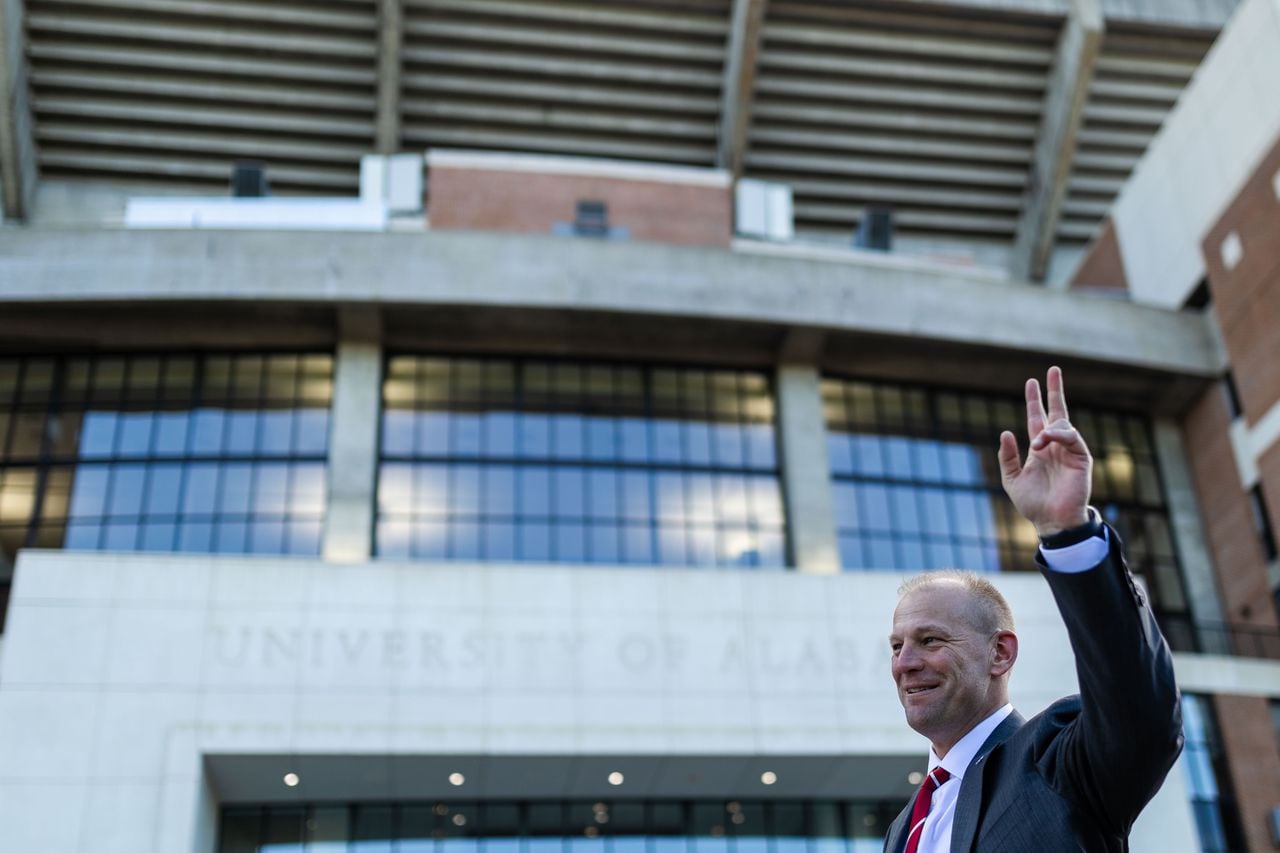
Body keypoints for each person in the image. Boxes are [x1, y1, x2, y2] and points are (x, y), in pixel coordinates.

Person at [882, 366, 1183, 853]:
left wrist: (1069, 535)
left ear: (1000, 652)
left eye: (930, 639)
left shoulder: (1057, 762)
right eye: (897, 646)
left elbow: (1140, 712)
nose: (905, 662)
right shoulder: (905, 829)